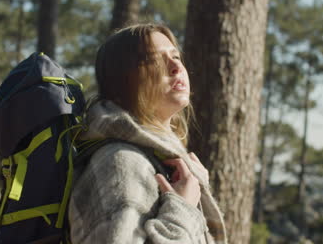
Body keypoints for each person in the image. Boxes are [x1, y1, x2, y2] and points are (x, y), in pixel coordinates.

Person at [68, 23, 227, 244]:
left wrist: (195, 190)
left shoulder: (155, 160)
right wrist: (183, 209)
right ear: (122, 81)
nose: (175, 67)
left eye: (176, 57)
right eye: (154, 60)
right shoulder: (122, 163)